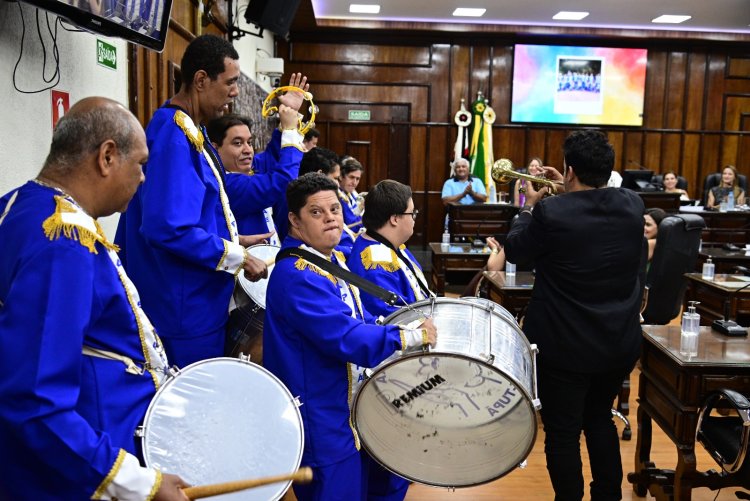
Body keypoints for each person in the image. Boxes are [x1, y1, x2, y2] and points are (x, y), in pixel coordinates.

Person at [0, 97, 188, 500]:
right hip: (76, 468)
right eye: (140, 164)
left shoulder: (18, 204)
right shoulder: (63, 242)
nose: (142, 178)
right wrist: (140, 484)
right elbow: (37, 401)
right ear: (106, 157)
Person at [116, 34, 296, 368]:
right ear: (201, 80)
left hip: (193, 302)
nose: (236, 91)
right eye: (230, 82)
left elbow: (187, 214)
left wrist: (231, 237)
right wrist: (237, 255)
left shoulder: (188, 130)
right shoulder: (173, 135)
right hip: (184, 310)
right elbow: (166, 228)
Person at [263, 173, 437, 501]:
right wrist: (407, 337)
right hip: (320, 417)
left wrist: (390, 331)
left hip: (342, 411)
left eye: (334, 210)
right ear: (294, 220)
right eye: (316, 212)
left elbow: (360, 319)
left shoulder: (328, 261)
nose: (330, 218)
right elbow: (345, 335)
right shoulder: (297, 275)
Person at [505, 130, 644, 500]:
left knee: (563, 431)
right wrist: (565, 191)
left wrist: (528, 206)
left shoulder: (550, 211)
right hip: (617, 343)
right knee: (600, 420)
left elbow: (517, 250)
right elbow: (589, 214)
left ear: (568, 170)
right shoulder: (633, 204)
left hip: (565, 348)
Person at [206, 107, 303, 243]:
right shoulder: (228, 184)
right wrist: (290, 132)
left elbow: (271, 157)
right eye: (238, 143)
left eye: (249, 142)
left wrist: (289, 110)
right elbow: (284, 181)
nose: (247, 150)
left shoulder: (241, 167)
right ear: (215, 149)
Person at [347, 179, 434, 320]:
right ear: (394, 219)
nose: (414, 219)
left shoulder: (388, 243)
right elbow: (396, 319)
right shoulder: (376, 263)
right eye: (412, 213)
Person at [338, 156, 365, 248]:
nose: (354, 182)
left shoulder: (351, 192)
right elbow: (352, 226)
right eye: (351, 177)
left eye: (357, 179)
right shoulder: (338, 196)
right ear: (341, 176)